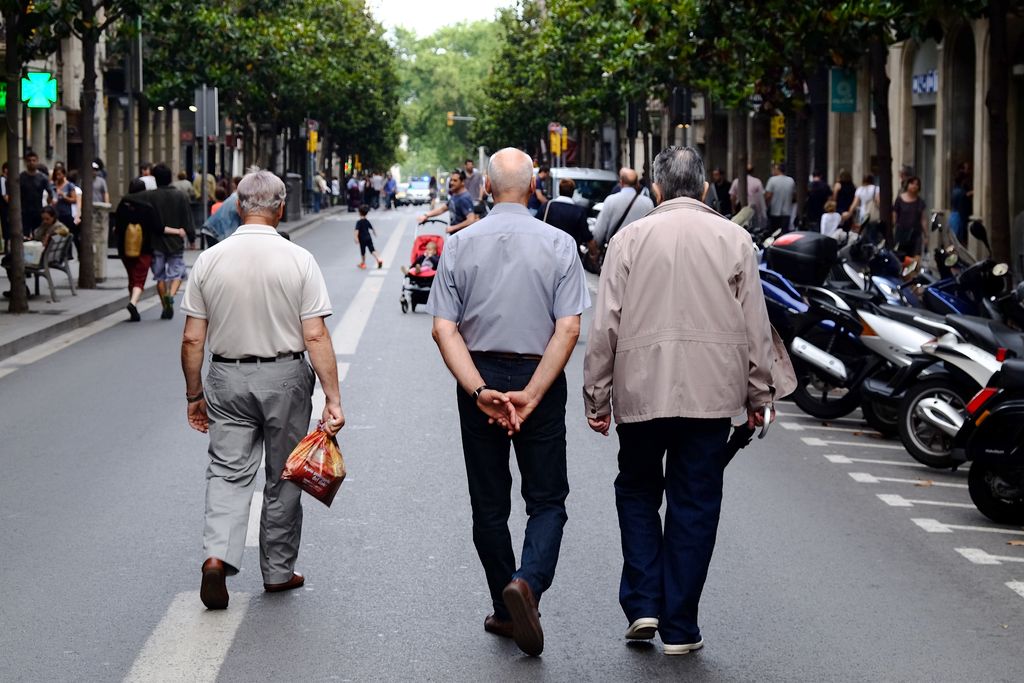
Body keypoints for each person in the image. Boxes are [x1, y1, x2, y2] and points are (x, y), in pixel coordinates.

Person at [583, 145, 780, 656]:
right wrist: (760, 393)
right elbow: (756, 328)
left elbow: (604, 327)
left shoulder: (628, 240)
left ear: (656, 190)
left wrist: (596, 397)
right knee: (695, 504)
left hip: (641, 392)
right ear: (707, 189)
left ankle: (644, 601)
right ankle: (680, 625)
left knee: (637, 491)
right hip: (711, 399)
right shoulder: (735, 239)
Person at [427, 147, 590, 657]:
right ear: (535, 184)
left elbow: (442, 328)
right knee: (547, 499)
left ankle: (505, 604)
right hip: (537, 376)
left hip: (479, 375)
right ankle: (529, 584)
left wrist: (479, 391)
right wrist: (533, 393)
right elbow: (568, 328)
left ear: (486, 189)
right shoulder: (561, 245)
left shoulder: (458, 245)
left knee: (489, 502)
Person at [179, 170, 344, 610]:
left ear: (237, 205)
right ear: (280, 208)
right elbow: (315, 336)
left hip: (227, 377)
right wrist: (333, 398)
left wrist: (194, 395)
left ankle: (217, 557)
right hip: (285, 377)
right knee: (284, 476)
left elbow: (194, 338)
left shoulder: (210, 260)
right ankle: (278, 571)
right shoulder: (298, 260)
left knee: (228, 473)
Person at [139, 163, 196, 319]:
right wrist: (191, 238)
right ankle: (171, 295)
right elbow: (187, 218)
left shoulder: (150, 196)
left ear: (155, 178)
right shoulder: (180, 196)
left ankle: (165, 306)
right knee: (177, 272)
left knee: (160, 276)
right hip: (176, 241)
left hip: (156, 241)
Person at [115, 178, 162, 321]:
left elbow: (117, 226)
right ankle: (133, 303)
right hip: (144, 248)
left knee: (132, 277)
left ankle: (132, 306)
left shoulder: (123, 204)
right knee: (139, 279)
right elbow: (156, 226)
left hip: (124, 248)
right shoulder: (148, 207)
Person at [2, 207, 64, 298]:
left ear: (54, 217)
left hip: (39, 258)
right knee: (9, 259)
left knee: (9, 261)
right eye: (43, 219)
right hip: (42, 256)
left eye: (47, 219)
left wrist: (47, 236)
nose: (45, 221)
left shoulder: (57, 227)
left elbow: (47, 241)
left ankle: (20, 289)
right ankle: (19, 288)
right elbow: (37, 236)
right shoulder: (46, 225)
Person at [541, 178, 598, 272]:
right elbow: (586, 236)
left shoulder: (547, 206)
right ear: (573, 192)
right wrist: (594, 253)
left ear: (559, 190)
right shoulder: (579, 211)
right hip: (570, 256)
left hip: (548, 253)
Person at [592, 167, 655, 247]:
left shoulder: (610, 200)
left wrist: (595, 248)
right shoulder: (648, 202)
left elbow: (599, 232)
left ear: (621, 182)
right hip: (640, 249)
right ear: (637, 184)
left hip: (616, 249)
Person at [417, 169, 478, 235]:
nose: (451, 183)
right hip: (455, 235)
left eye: (455, 180)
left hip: (462, 237)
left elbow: (471, 220)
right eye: (451, 180)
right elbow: (442, 209)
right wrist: (426, 215)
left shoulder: (464, 198)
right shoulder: (455, 195)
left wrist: (453, 227)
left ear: (462, 182)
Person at [892, 176, 927, 262]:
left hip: (916, 234)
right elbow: (894, 215)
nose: (914, 186)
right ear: (907, 185)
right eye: (912, 183)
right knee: (901, 258)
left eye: (917, 184)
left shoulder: (920, 202)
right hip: (901, 233)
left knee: (915, 259)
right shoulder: (899, 199)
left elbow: (923, 219)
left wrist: (926, 235)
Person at [20, 150, 53, 238]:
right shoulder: (21, 177)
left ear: (37, 161)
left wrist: (48, 205)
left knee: (38, 235)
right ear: (26, 162)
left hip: (38, 211)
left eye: (34, 160)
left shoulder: (42, 178)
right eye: (29, 160)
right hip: (24, 211)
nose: (31, 163)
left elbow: (50, 192)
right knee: (24, 235)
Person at [728, 165, 767, 229]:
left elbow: (732, 197)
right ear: (752, 172)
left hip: (740, 210)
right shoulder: (757, 182)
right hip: (754, 212)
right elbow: (762, 198)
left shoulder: (736, 181)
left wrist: (734, 208)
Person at [764, 163, 796, 233]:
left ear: (777, 170)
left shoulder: (772, 180)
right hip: (787, 212)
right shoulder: (791, 180)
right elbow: (794, 196)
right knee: (784, 232)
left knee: (774, 232)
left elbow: (768, 195)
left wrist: (766, 205)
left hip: (774, 211)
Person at [950, 163, 973, 245]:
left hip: (954, 216)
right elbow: (962, 209)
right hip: (959, 217)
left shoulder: (956, 190)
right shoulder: (961, 192)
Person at [354, 204, 383, 269]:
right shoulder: (366, 221)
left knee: (363, 251)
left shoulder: (359, 222)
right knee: (372, 250)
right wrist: (375, 233)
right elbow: (372, 228)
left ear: (359, 213)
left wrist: (356, 238)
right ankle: (379, 259)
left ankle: (363, 263)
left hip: (362, 239)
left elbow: (356, 231)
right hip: (368, 237)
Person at [1, 162, 10, 255]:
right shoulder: (3, 180)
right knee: (6, 228)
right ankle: (6, 249)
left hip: (8, 208)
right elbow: (5, 196)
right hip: (5, 209)